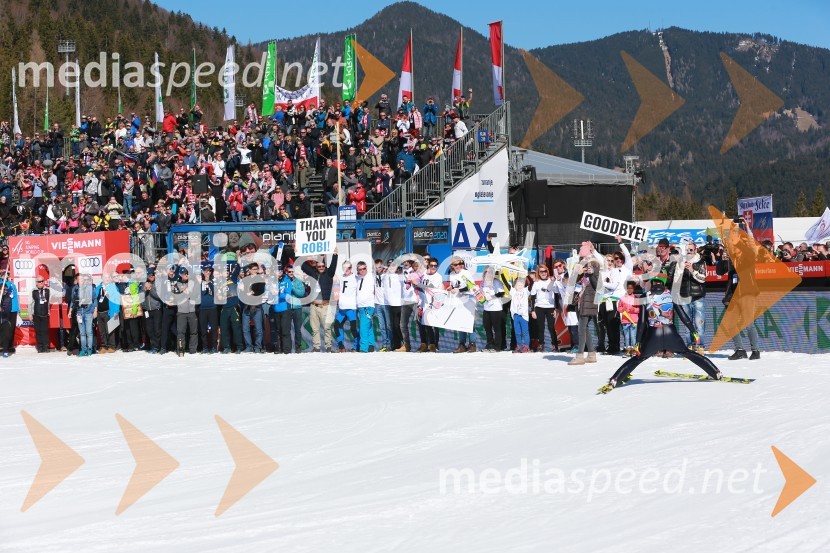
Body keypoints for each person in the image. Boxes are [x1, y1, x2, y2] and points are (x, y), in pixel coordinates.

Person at [599, 273, 722, 393]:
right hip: (670, 333)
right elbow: (683, 315)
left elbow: (642, 322)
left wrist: (638, 342)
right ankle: (716, 372)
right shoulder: (671, 295)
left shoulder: (645, 296)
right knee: (688, 353)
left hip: (654, 334)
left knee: (638, 358)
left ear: (653, 282)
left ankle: (615, 379)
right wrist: (693, 331)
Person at [717, 218, 762, 361]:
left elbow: (752, 244)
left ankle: (755, 350)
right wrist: (723, 259)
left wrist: (747, 227)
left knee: (748, 324)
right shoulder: (730, 258)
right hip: (733, 294)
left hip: (747, 292)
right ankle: (740, 350)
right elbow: (719, 271)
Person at [670, 241, 707, 353]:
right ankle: (690, 346)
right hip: (684, 296)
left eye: (691, 250)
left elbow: (703, 278)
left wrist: (692, 270)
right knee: (687, 323)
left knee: (699, 323)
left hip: (697, 296)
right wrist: (681, 270)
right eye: (687, 250)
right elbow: (676, 280)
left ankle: (700, 345)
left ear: (695, 250)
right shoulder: (681, 261)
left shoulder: (701, 262)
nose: (689, 252)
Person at [302, 248, 338, 352]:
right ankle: (316, 347)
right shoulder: (313, 273)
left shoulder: (329, 273)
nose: (321, 268)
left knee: (327, 328)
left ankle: (328, 347)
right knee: (314, 329)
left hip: (325, 306)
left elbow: (333, 265)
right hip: (314, 306)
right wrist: (299, 253)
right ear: (316, 267)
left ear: (325, 266)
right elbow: (303, 265)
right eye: (319, 266)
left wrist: (335, 255)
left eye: (322, 266)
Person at [447, 256, 477, 353]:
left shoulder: (466, 273)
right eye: (456, 264)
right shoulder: (451, 274)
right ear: (452, 265)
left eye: (460, 263)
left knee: (470, 322)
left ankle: (472, 344)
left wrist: (458, 290)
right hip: (458, 300)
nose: (459, 266)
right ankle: (462, 344)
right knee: (460, 322)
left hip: (468, 298)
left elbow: (471, 286)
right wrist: (451, 288)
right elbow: (454, 285)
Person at [530, 264, 560, 352]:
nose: (543, 273)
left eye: (545, 271)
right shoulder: (536, 283)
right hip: (539, 307)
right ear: (538, 273)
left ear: (547, 272)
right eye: (541, 272)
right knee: (540, 327)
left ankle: (554, 345)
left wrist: (556, 309)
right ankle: (541, 344)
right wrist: (532, 310)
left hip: (550, 307)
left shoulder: (552, 281)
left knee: (551, 327)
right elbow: (532, 297)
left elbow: (556, 295)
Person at [333, 260, 359, 352]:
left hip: (351, 307)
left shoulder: (356, 278)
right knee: (336, 326)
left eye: (348, 268)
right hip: (342, 308)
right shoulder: (341, 277)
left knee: (353, 328)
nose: (346, 269)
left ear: (351, 268)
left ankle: (356, 346)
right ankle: (341, 347)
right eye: (344, 268)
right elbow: (336, 289)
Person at [173, 266, 198, 356]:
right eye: (184, 274)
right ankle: (181, 349)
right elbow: (175, 296)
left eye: (187, 273)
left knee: (193, 331)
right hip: (181, 311)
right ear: (180, 275)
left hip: (192, 310)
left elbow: (196, 294)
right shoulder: (177, 284)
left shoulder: (192, 283)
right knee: (180, 332)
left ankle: (193, 349)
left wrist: (188, 292)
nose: (186, 275)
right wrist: (183, 292)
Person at [481, 267, 505, 352]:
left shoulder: (496, 282)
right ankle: (489, 344)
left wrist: (492, 296)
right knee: (487, 327)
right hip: (486, 308)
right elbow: (482, 295)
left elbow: (502, 293)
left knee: (496, 328)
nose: (488, 274)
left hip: (496, 308)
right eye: (486, 272)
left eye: (490, 272)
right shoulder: (483, 283)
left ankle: (497, 346)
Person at [355, 261, 376, 353]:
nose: (363, 270)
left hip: (368, 305)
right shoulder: (357, 278)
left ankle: (363, 348)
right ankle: (371, 345)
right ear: (358, 270)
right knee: (368, 326)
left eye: (364, 268)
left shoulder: (371, 276)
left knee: (363, 327)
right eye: (360, 269)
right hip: (360, 306)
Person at [74, 274, 96, 357]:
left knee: (89, 332)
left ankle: (89, 349)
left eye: (82, 279)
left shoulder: (89, 288)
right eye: (80, 280)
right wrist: (71, 310)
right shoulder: (75, 289)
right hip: (79, 312)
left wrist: (94, 310)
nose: (81, 281)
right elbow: (73, 301)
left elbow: (94, 299)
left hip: (88, 312)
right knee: (82, 333)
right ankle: (83, 350)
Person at [199, 265, 218, 353]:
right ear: (203, 272)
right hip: (202, 308)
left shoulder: (214, 281)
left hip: (212, 308)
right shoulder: (199, 282)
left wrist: (209, 282)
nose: (208, 272)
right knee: (203, 329)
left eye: (209, 271)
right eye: (206, 271)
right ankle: (205, 347)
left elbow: (216, 292)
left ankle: (214, 347)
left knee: (214, 329)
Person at [0, 270, 20, 357]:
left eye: (7, 274)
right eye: (4, 274)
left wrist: (18, 309)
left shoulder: (12, 285)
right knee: (4, 328)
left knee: (11, 329)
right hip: (4, 310)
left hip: (13, 309)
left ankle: (10, 345)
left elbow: (15, 298)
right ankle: (2, 345)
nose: (6, 276)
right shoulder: (2, 284)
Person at [617, 281, 639, 357]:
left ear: (633, 289)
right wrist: (622, 309)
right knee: (626, 337)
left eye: (631, 288)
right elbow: (619, 308)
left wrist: (634, 309)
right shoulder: (622, 298)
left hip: (634, 321)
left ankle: (634, 350)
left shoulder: (636, 298)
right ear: (626, 289)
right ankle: (627, 350)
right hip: (625, 320)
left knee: (633, 336)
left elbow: (639, 309)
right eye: (628, 288)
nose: (630, 290)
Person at [30, 274, 51, 352]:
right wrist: (30, 314)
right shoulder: (33, 291)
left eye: (42, 281)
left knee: (45, 331)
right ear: (36, 283)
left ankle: (46, 346)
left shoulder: (48, 290)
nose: (41, 283)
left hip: (45, 314)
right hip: (36, 314)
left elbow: (52, 299)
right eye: (39, 281)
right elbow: (30, 303)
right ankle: (40, 347)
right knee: (38, 331)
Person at [510, 278, 530, 353]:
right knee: (517, 332)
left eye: (522, 285)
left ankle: (526, 346)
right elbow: (506, 283)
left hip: (523, 316)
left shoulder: (525, 291)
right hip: (515, 315)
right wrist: (502, 274)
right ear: (515, 285)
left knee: (525, 332)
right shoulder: (513, 291)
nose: (520, 286)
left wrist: (526, 275)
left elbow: (530, 283)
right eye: (518, 285)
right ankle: (519, 346)